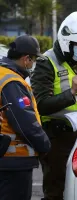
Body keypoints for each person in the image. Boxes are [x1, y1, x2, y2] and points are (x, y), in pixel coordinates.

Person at [30, 11, 77, 200]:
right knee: (57, 188)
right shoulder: (46, 63)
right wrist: (70, 93)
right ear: (67, 42)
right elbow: (40, 105)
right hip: (55, 137)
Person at [0, 35, 51, 200]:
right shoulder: (12, 82)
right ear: (26, 59)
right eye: (33, 60)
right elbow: (24, 121)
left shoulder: (2, 74)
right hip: (14, 160)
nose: (33, 64)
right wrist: (44, 145)